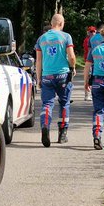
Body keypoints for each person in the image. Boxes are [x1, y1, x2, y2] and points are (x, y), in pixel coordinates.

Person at [33, 12, 76, 147]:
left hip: (47, 76)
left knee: (47, 104)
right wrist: (72, 67)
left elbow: (38, 61)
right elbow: (71, 56)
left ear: (51, 24)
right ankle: (62, 134)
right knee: (64, 103)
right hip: (63, 75)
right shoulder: (66, 37)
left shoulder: (41, 39)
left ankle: (45, 125)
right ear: (61, 24)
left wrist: (39, 78)